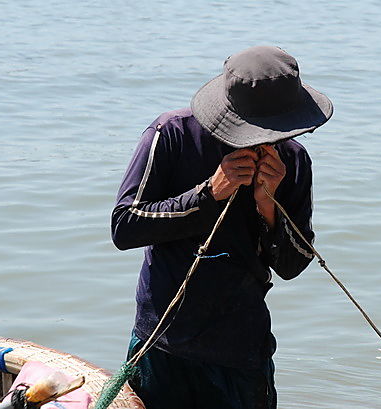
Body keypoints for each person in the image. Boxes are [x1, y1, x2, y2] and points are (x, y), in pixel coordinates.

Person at [111, 45, 333, 409]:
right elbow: (125, 226)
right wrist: (209, 194)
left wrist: (268, 203)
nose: (267, 141)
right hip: (164, 339)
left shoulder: (292, 160)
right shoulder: (171, 133)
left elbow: (293, 265)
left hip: (241, 346)